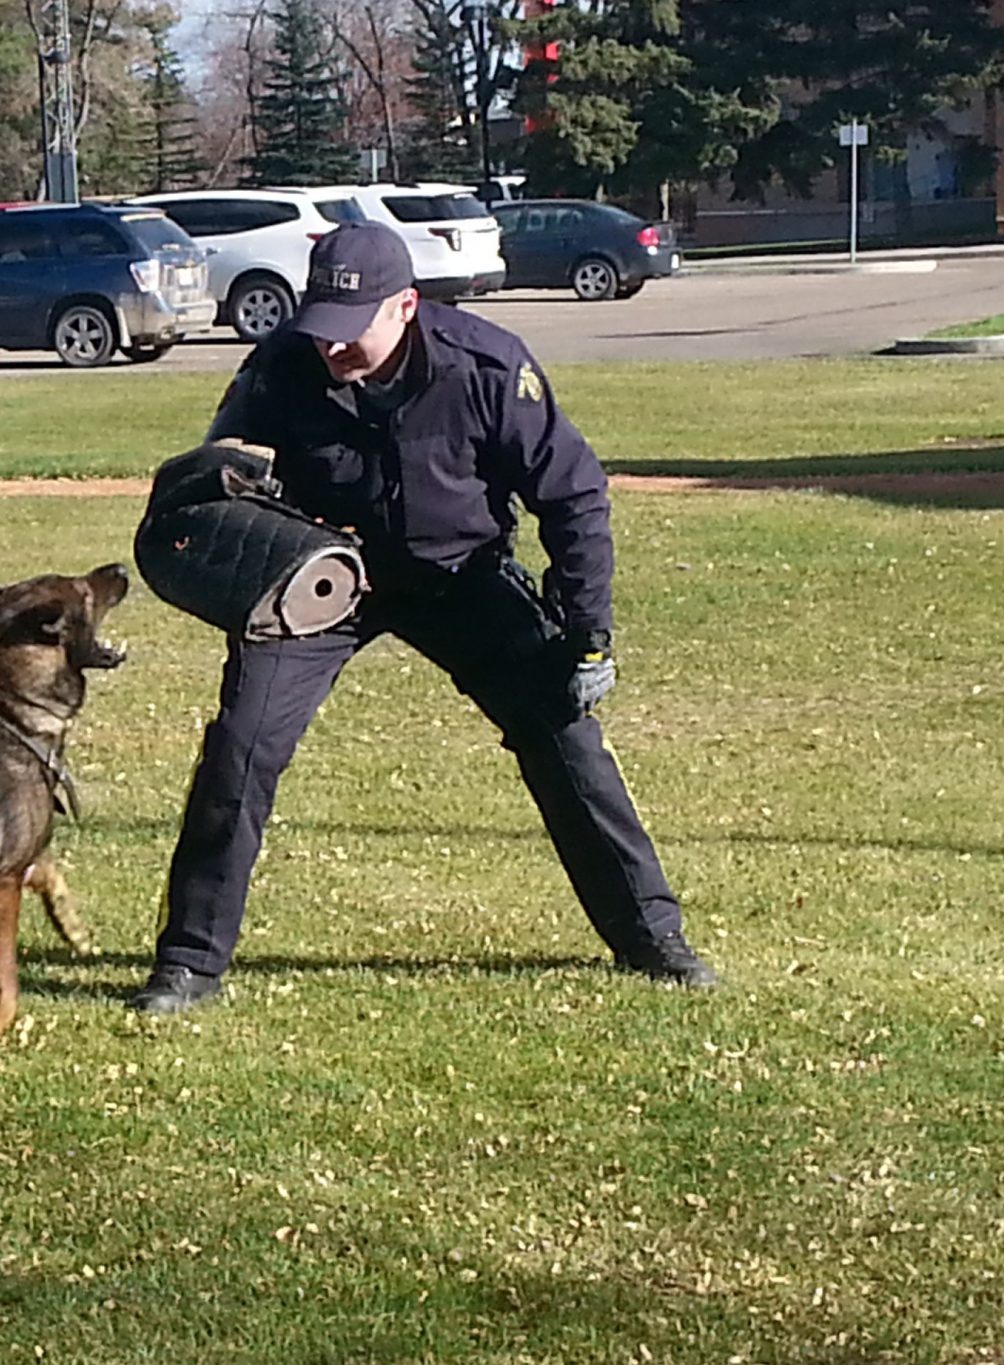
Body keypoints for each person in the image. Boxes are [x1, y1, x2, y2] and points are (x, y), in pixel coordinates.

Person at [128, 222, 716, 1015]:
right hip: (323, 582)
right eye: (321, 329)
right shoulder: (283, 362)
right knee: (243, 744)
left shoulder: (488, 367)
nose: (332, 349)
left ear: (405, 306)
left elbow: (572, 495)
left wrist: (587, 633)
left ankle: (653, 936)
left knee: (562, 733)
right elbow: (217, 476)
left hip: (461, 575)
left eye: (350, 331)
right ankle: (190, 963)